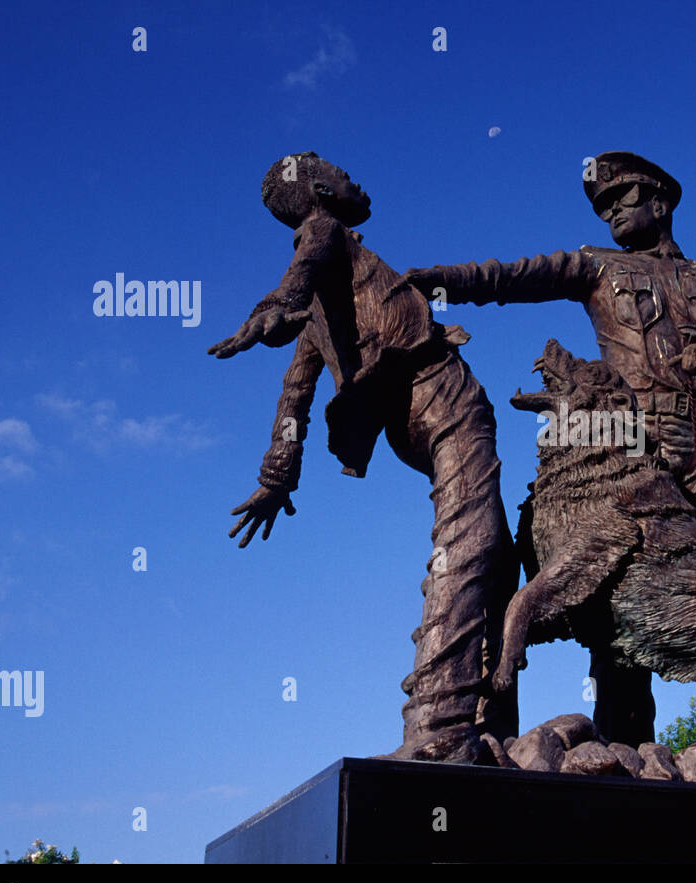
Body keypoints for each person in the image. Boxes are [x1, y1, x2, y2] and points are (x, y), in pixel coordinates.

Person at [399, 151, 696, 771]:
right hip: (629, 445)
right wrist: (434, 281)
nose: (612, 211)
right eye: (604, 205)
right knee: (619, 595)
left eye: (623, 199)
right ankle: (629, 759)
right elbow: (513, 276)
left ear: (660, 202)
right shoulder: (595, 267)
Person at [208, 152, 517, 763]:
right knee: (471, 539)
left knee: (495, 556)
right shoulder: (323, 237)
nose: (356, 176)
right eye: (340, 170)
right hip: (439, 395)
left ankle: (491, 724)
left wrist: (277, 474)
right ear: (321, 188)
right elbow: (306, 264)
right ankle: (442, 719)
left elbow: (294, 395)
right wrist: (272, 306)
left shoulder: (325, 307)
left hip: (414, 417)